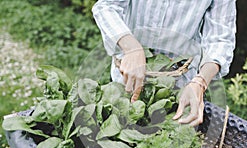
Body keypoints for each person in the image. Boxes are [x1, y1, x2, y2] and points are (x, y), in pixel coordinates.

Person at [92, 0, 236, 126]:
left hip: (179, 89)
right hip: (126, 79)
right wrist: (132, 48)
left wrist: (200, 82)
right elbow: (106, 6)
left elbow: (220, 40)